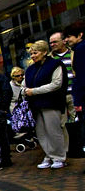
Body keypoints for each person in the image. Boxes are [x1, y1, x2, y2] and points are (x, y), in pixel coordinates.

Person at [22, 40, 68, 169]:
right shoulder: (30, 69)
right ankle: (49, 155)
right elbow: (24, 84)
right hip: (36, 105)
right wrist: (25, 91)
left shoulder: (55, 64)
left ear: (44, 52)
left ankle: (59, 157)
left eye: (35, 53)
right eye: (31, 54)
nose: (32, 56)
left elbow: (56, 84)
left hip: (51, 103)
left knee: (54, 131)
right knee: (41, 132)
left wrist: (34, 91)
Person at [63, 21, 85, 159]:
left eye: (69, 36)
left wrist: (79, 101)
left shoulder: (81, 49)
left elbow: (82, 76)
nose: (66, 40)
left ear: (80, 35)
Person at [50, 31, 76, 123]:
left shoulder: (74, 54)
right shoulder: (50, 59)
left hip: (74, 94)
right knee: (62, 123)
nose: (52, 45)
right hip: (58, 96)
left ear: (64, 41)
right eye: (51, 43)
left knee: (77, 120)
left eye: (55, 42)